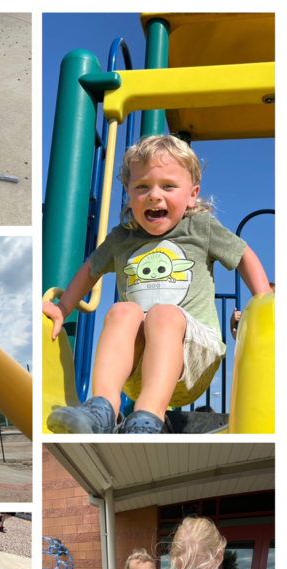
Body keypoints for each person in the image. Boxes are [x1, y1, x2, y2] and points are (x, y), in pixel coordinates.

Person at [44, 135, 272, 434]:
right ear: (127, 192)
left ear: (192, 195)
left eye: (168, 186)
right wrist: (62, 308)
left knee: (164, 314)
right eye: (142, 186)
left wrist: (266, 304)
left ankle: (147, 419)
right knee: (122, 311)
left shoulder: (199, 228)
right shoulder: (121, 238)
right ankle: (103, 409)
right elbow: (89, 270)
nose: (154, 195)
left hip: (194, 357)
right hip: (138, 369)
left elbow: (244, 256)